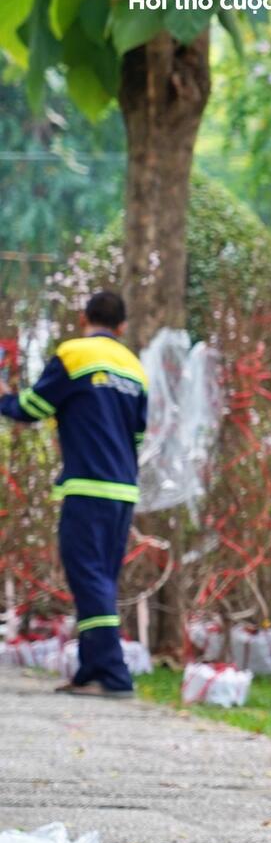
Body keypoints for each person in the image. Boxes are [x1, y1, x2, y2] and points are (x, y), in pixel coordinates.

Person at [0, 290, 149, 698]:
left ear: (84, 318)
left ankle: (114, 676)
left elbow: (32, 407)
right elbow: (138, 432)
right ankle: (90, 672)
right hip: (122, 489)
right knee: (101, 578)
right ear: (122, 327)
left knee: (88, 576)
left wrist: (4, 399)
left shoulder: (74, 354)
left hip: (87, 485)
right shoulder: (135, 367)